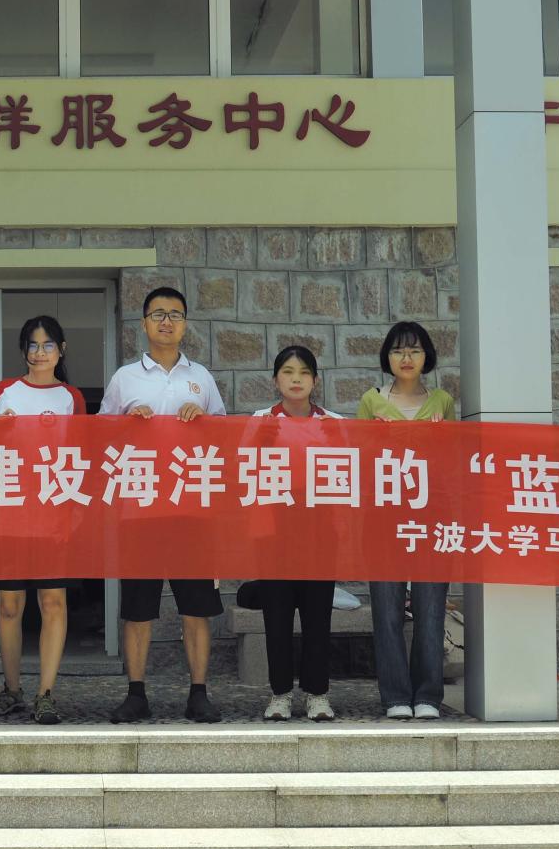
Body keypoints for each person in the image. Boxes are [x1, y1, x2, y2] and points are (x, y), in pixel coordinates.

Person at [98, 285, 228, 724]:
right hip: (140, 508)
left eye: (175, 314)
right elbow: (98, 437)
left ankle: (199, 693)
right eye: (158, 314)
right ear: (144, 324)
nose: (166, 322)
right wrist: (125, 423)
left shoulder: (202, 378)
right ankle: (136, 692)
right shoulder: (125, 378)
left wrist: (203, 419)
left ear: (186, 324)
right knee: (138, 607)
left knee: (197, 606)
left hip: (192, 507)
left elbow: (224, 440)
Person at [0, 316, 88, 727]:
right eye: (33, 345)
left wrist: (75, 511)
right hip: (7, 512)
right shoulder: (5, 391)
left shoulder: (70, 397)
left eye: (48, 345)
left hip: (53, 513)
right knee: (9, 605)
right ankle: (11, 689)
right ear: (23, 350)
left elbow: (83, 454)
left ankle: (45, 693)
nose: (40, 353)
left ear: (61, 350)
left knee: (52, 601)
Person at [356, 320, 456, 722]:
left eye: (414, 350)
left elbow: (453, 463)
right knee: (388, 609)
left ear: (426, 356)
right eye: (398, 350)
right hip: (384, 518)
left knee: (431, 608)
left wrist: (442, 438)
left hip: (432, 518)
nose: (407, 357)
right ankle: (395, 693)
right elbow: (358, 460)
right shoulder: (371, 400)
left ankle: (428, 693)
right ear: (388, 357)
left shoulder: (443, 401)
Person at [250, 345, 340, 723]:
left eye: (304, 372)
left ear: (315, 380)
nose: (296, 379)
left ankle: (317, 694)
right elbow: (244, 473)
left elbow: (351, 475)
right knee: (278, 615)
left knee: (318, 615)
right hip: (274, 531)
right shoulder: (260, 421)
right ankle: (280, 694)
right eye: (288, 372)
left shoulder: (333, 422)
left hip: (320, 530)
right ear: (276, 380)